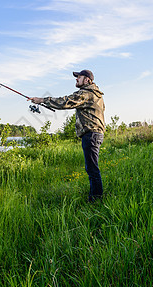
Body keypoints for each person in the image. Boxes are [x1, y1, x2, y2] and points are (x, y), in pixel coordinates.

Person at [30, 69, 105, 202]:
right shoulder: (97, 95)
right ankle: (95, 197)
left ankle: (96, 200)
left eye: (79, 77)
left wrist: (41, 100)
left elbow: (66, 101)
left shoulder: (87, 93)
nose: (76, 79)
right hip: (95, 134)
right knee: (92, 168)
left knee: (92, 169)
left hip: (91, 134)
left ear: (87, 80)